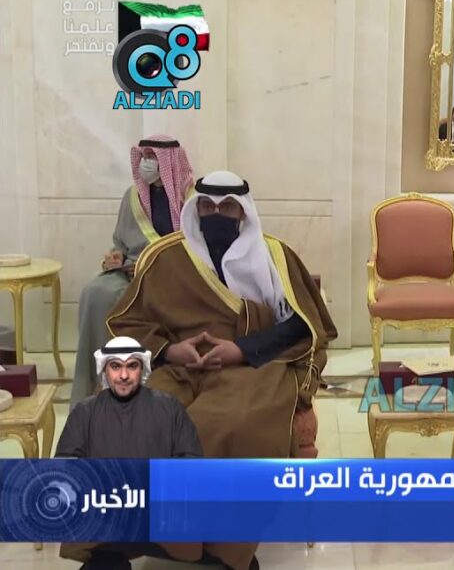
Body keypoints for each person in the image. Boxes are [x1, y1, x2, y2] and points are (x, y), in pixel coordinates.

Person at [105, 171, 337, 569]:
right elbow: (128, 321)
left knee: (228, 423)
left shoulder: (274, 257)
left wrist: (240, 349)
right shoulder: (167, 257)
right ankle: (112, 545)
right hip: (178, 365)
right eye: (207, 207)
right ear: (194, 209)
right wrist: (170, 350)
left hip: (251, 365)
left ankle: (222, 550)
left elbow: (303, 325)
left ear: (243, 211)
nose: (216, 214)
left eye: (227, 206)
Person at [57, 336, 213, 570]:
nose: (124, 375)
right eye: (115, 366)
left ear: (142, 369)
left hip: (161, 516)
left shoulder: (169, 407)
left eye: (131, 366)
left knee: (222, 551)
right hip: (106, 520)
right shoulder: (84, 412)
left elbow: (192, 463)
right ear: (104, 369)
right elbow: (64, 469)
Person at [71, 135, 195, 408]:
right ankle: (95, 386)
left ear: (168, 162)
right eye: (144, 156)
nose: (146, 163)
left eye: (153, 157)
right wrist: (115, 257)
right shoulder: (133, 197)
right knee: (96, 293)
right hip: (131, 273)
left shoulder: (192, 199)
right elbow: (121, 243)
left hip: (175, 275)